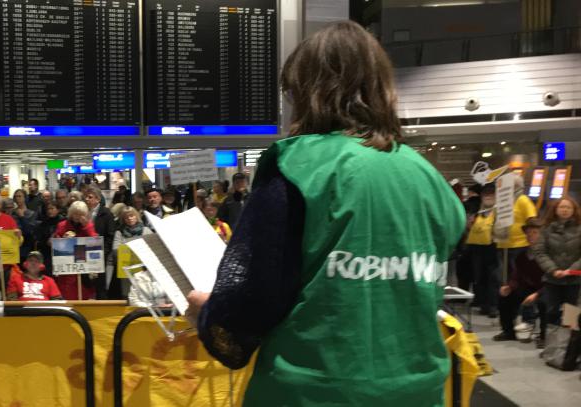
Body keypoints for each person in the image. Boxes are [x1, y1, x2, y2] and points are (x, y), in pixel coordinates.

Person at [186, 22, 465, 406]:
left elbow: (253, 296)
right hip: (416, 390)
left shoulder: (299, 166)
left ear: (307, 90)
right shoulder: (429, 177)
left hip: (313, 392)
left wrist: (207, 316)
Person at [532, 197, 581, 344]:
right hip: (552, 279)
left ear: (574, 210)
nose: (565, 210)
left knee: (571, 314)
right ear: (555, 210)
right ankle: (551, 345)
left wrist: (571, 270)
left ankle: (567, 346)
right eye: (562, 207)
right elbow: (540, 252)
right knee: (551, 312)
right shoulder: (546, 229)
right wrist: (553, 270)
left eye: (568, 208)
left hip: (574, 280)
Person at [494, 218, 546, 346]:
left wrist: (537, 294)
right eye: (528, 232)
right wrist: (509, 286)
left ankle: (544, 336)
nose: (530, 235)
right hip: (527, 288)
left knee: (545, 302)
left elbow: (550, 280)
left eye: (534, 232)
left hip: (545, 289)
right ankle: (508, 331)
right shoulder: (522, 255)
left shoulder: (547, 254)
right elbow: (517, 275)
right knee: (505, 296)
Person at [464, 185, 499, 317]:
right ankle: (483, 304)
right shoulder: (479, 211)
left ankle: (493, 306)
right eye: (486, 194)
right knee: (479, 277)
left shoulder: (499, 211)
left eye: (491, 194)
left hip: (493, 248)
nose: (488, 196)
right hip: (477, 248)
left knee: (493, 278)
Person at [53, 201, 97, 300]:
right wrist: (62, 239)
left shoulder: (89, 225)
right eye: (76, 213)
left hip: (83, 267)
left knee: (84, 294)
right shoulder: (62, 225)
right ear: (71, 213)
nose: (78, 216)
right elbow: (55, 242)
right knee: (68, 293)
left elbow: (94, 241)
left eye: (81, 214)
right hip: (67, 267)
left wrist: (86, 226)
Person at [496, 176, 538, 273]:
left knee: (517, 274)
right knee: (504, 275)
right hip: (502, 243)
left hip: (519, 245)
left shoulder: (523, 200)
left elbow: (532, 220)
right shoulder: (503, 201)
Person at [111, 207, 153, 298]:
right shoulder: (119, 232)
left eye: (132, 215)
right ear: (123, 220)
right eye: (126, 217)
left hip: (144, 269)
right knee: (128, 296)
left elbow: (152, 247)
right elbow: (115, 249)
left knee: (145, 294)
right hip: (127, 270)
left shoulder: (146, 230)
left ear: (136, 216)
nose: (129, 218)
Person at [34, 202, 64, 276]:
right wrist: (46, 242)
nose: (50, 211)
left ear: (58, 210)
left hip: (62, 254)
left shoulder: (64, 222)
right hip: (47, 254)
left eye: (52, 208)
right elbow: (39, 240)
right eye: (48, 209)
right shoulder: (43, 224)